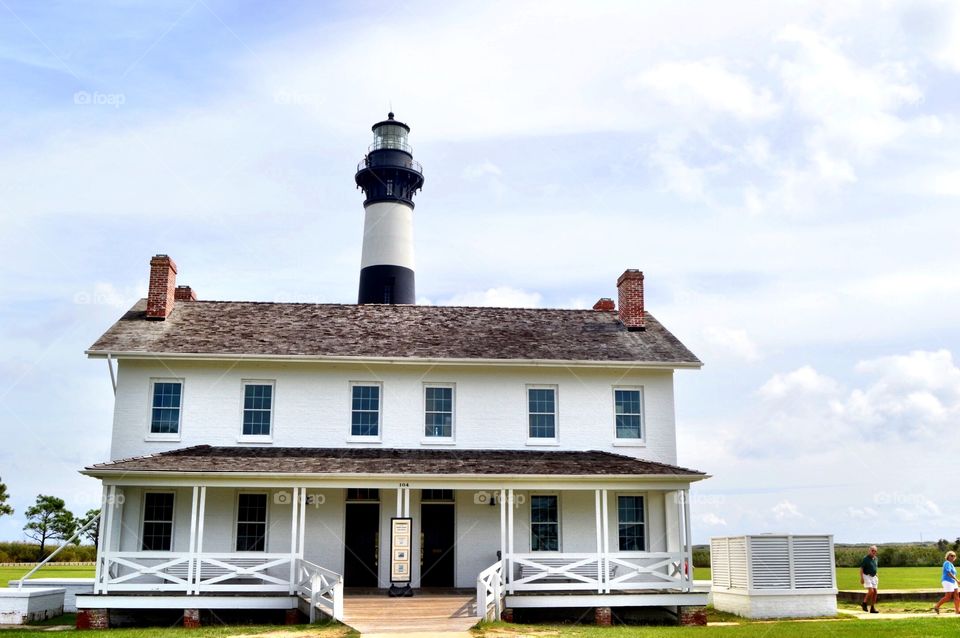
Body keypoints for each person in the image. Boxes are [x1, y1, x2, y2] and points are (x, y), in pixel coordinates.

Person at [933, 550, 959, 615]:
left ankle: (957, 610)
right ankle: (936, 606)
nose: (953, 557)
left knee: (957, 595)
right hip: (947, 581)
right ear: (948, 556)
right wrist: (957, 580)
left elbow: (953, 574)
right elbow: (948, 573)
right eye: (951, 555)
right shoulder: (947, 563)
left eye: (954, 556)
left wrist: (956, 581)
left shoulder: (951, 564)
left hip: (953, 582)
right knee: (948, 597)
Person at [859, 545, 879, 613]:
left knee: (875, 592)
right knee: (871, 591)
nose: (873, 552)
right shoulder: (866, 559)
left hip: (874, 577)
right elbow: (861, 568)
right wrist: (861, 578)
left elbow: (875, 567)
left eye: (875, 551)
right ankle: (864, 603)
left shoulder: (876, 559)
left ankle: (872, 608)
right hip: (866, 576)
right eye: (872, 550)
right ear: (869, 551)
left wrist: (876, 574)